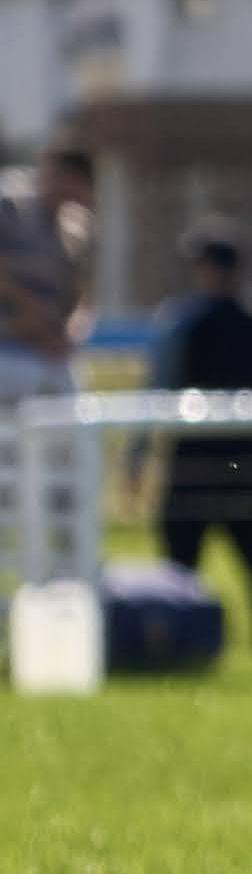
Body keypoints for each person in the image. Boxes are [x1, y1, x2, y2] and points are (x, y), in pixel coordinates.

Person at [139, 224, 252, 652]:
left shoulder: (181, 323)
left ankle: (174, 645)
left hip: (192, 467)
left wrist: (136, 457)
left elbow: (154, 393)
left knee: (178, 573)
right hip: (251, 464)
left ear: (204, 268)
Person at [0, 145, 95, 573]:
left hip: (49, 361)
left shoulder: (74, 229)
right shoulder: (10, 208)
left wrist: (69, 333)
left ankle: (67, 561)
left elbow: (80, 298)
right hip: (9, 354)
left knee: (67, 462)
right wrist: (31, 315)